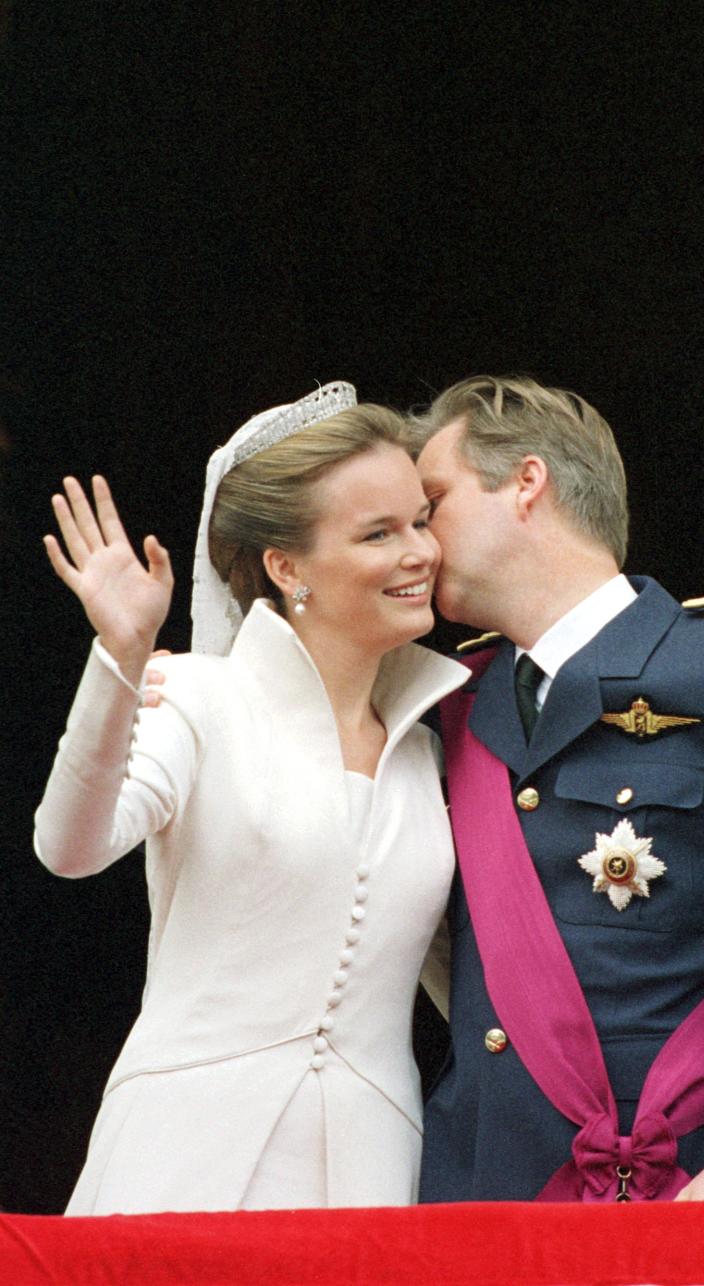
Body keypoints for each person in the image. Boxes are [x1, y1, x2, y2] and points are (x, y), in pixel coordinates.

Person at [409, 374, 704, 1203]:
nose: (416, 541)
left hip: (696, 1180)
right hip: (483, 1195)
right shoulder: (438, 703)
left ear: (526, 483)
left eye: (432, 504)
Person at [33, 383, 470, 1214]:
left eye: (420, 521)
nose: (419, 552)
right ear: (287, 567)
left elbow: (470, 979)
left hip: (371, 1176)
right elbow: (70, 846)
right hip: (181, 1163)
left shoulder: (428, 750)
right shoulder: (198, 698)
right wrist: (121, 656)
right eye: (379, 533)